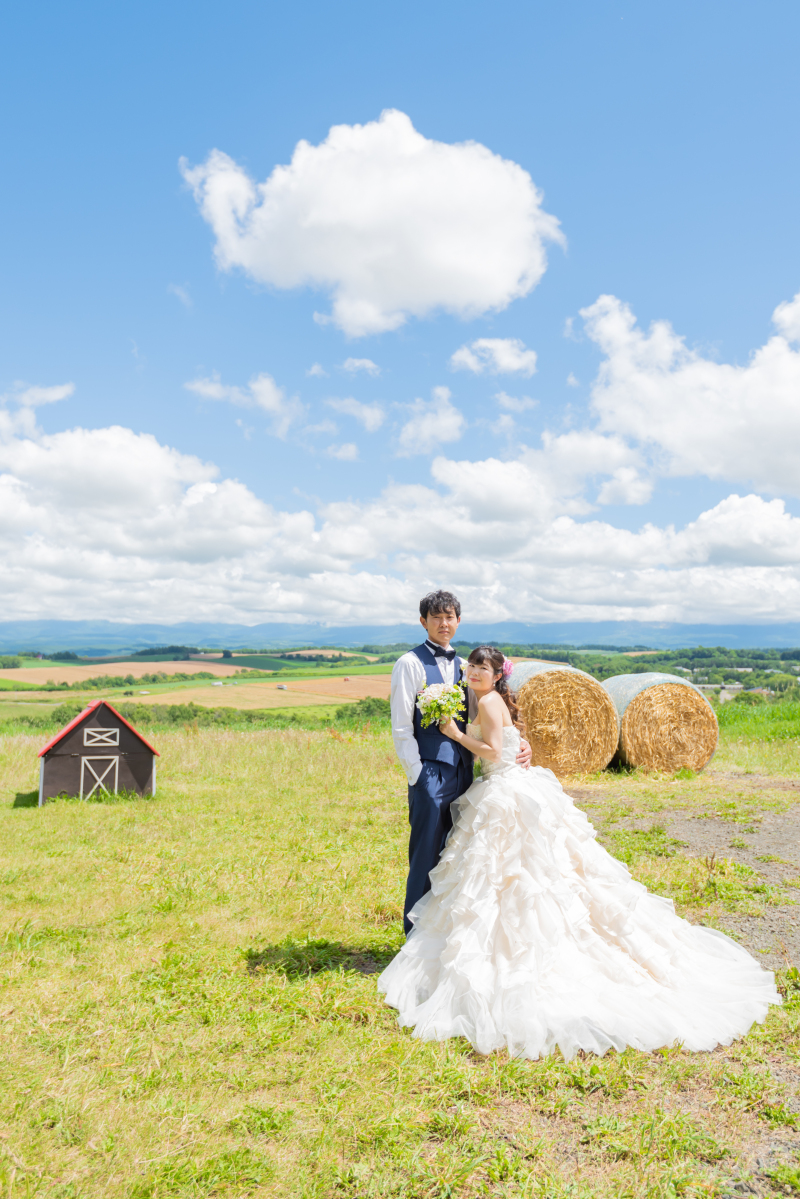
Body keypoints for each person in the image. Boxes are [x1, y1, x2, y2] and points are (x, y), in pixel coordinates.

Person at [379, 644, 780, 1060]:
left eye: (483, 667)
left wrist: (455, 735)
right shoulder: (481, 697)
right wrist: (516, 744)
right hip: (505, 783)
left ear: (498, 675)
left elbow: (495, 751)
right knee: (509, 872)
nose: (475, 671)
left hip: (506, 791)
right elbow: (507, 741)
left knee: (519, 871)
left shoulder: (491, 701)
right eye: (473, 666)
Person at [390, 591, 532, 935]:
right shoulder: (409, 664)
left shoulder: (465, 667)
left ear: (458, 621)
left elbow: (492, 716)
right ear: (423, 621)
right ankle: (414, 938)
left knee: (458, 856)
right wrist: (417, 774)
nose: (444, 623)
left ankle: (446, 935)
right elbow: (401, 726)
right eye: (436, 617)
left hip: (467, 771)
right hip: (430, 772)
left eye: (450, 617)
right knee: (426, 855)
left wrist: (519, 743)